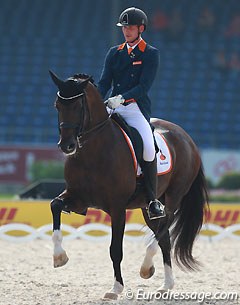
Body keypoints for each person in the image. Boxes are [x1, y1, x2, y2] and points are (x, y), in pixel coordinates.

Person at [98, 7, 165, 220]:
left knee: (147, 147)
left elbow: (144, 86)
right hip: (112, 105)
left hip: (135, 107)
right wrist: (98, 102)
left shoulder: (150, 53)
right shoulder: (114, 53)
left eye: (131, 27)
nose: (126, 31)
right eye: (124, 27)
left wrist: (122, 98)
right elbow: (104, 82)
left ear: (141, 29)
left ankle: (153, 200)